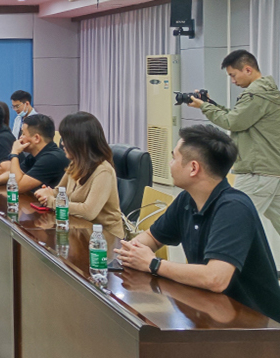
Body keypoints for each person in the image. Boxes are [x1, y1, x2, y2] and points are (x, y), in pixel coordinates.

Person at [115, 124, 280, 322]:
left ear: (193, 168)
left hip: (256, 323)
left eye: (174, 157)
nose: (170, 164)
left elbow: (215, 278)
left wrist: (153, 263)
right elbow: (153, 237)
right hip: (213, 311)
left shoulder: (234, 208)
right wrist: (133, 251)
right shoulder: (187, 199)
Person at [188, 49, 280, 237]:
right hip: (271, 170)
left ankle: (218, 256)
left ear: (248, 69)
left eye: (233, 75)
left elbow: (232, 122)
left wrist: (204, 107)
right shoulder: (267, 92)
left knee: (231, 222)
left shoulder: (256, 95)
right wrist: (210, 104)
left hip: (257, 172)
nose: (232, 81)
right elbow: (237, 116)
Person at [35, 112, 124, 238]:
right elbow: (59, 191)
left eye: (66, 139)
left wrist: (51, 202)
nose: (62, 144)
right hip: (78, 230)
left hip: (104, 238)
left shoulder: (104, 171)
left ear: (79, 142)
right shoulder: (75, 164)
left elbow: (89, 212)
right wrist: (47, 193)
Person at [0, 114, 68, 192]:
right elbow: (17, 172)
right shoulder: (36, 154)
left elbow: (18, 186)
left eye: (23, 134)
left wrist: (14, 153)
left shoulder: (51, 158)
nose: (20, 138)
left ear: (36, 138)